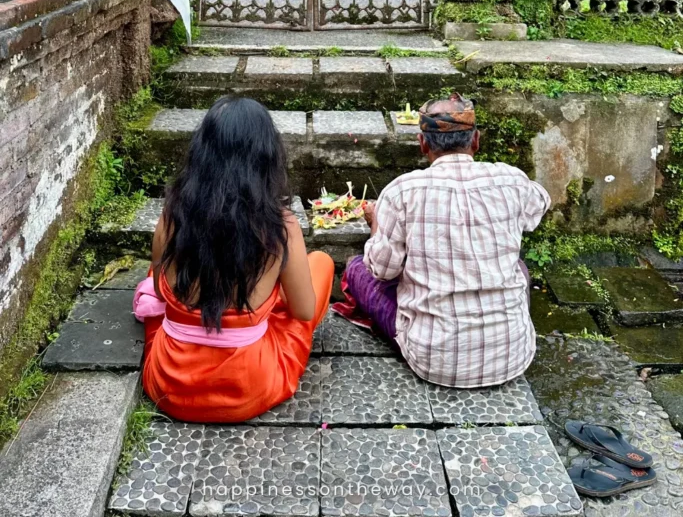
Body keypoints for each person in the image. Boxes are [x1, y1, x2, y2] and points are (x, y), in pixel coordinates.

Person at [133, 96, 334, 422]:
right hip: (249, 386)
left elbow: (159, 289)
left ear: (203, 151)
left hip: (168, 383)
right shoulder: (281, 226)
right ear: (267, 156)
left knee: (154, 272)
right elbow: (303, 311)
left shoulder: (172, 215)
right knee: (321, 262)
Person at [339, 93, 551, 388]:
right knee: (520, 268)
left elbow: (382, 271)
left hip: (433, 360)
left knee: (356, 268)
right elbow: (540, 204)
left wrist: (376, 225)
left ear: (422, 143)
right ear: (476, 141)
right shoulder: (512, 180)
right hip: (514, 355)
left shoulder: (402, 191)